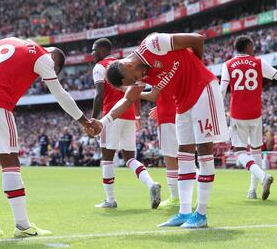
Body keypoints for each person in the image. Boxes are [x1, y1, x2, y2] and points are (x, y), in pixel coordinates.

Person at [0, 37, 96, 238]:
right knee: (10, 162)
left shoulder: (4, 41)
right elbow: (60, 94)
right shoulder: (45, 57)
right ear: (54, 60)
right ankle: (22, 226)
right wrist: (84, 121)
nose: (44, 77)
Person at [94, 32, 229, 228]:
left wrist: (196, 68)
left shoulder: (154, 44)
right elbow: (128, 99)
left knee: (204, 152)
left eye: (132, 80)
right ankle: (184, 212)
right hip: (181, 103)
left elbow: (198, 39)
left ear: (129, 66)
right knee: (184, 156)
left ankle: (200, 214)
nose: (137, 82)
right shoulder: (139, 72)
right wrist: (103, 121)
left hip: (202, 90)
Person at [220, 35, 277, 200]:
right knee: (256, 152)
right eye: (253, 46)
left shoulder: (228, 65)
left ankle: (262, 178)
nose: (254, 49)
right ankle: (252, 190)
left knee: (239, 152)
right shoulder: (259, 63)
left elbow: (222, 91)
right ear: (247, 47)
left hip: (238, 114)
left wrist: (218, 113)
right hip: (255, 114)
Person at [91, 38, 161, 209]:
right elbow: (134, 91)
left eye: (94, 50)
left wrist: (93, 120)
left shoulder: (101, 67)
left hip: (111, 114)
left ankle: (110, 199)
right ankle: (151, 184)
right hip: (128, 114)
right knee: (130, 158)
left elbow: (99, 95)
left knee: (107, 159)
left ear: (102, 49)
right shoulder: (125, 65)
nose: (92, 53)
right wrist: (136, 115)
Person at [141, 90, 179, 207]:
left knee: (170, 158)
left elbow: (153, 95)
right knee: (184, 158)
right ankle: (200, 190)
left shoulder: (158, 71)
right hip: (180, 112)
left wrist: (132, 92)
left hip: (167, 116)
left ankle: (175, 197)